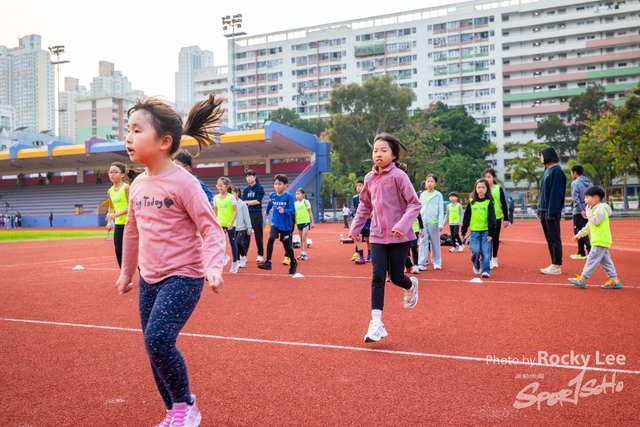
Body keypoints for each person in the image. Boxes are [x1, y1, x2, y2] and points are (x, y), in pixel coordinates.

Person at [115, 93, 225, 427]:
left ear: (164, 142)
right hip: (149, 278)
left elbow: (211, 229)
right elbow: (132, 232)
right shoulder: (137, 185)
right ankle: (175, 412)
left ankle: (186, 406)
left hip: (184, 275)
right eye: (128, 130)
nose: (128, 137)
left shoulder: (185, 183)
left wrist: (214, 266)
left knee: (158, 339)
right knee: (153, 347)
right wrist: (127, 272)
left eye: (137, 130)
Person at [348, 133, 421, 343]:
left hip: (400, 236)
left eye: (383, 150)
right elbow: (365, 205)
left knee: (396, 276)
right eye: (375, 151)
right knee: (378, 276)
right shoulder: (369, 178)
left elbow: (414, 203)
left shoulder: (399, 176)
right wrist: (355, 227)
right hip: (377, 235)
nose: (378, 154)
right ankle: (376, 323)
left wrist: (402, 226)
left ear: (394, 155)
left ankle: (411, 286)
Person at [569, 186, 622, 289]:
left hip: (599, 240)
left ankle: (582, 280)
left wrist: (588, 212)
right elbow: (589, 226)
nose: (584, 200)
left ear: (596, 198)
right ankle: (614, 280)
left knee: (591, 260)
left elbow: (596, 222)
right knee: (606, 262)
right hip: (600, 240)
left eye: (586, 197)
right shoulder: (596, 210)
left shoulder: (600, 209)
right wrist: (579, 235)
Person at [259, 174, 297, 274]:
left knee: (286, 245)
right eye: (275, 184)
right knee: (271, 238)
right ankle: (268, 262)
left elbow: (292, 210)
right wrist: (267, 211)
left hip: (286, 225)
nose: (277, 186)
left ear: (285, 185)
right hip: (275, 222)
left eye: (279, 184)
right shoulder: (272, 195)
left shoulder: (288, 196)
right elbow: (270, 203)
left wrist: (284, 211)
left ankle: (293, 262)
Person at [537, 147, 567, 275]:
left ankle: (557, 265)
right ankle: (553, 263)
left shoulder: (556, 171)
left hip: (551, 211)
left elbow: (556, 194)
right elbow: (543, 192)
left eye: (541, 155)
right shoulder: (547, 170)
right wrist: (539, 209)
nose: (540, 158)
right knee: (549, 239)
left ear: (548, 155)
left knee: (554, 238)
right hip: (544, 210)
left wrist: (551, 212)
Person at [461, 178, 497, 278]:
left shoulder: (489, 202)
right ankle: (476, 264)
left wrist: (491, 233)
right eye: (479, 187)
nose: (481, 189)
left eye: (483, 187)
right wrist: (464, 230)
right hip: (474, 231)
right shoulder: (471, 202)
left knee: (486, 252)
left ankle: (485, 270)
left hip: (486, 231)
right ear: (475, 189)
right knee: (476, 251)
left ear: (487, 189)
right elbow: (467, 217)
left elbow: (492, 218)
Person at [483, 168, 510, 269]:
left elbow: (504, 204)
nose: (487, 179)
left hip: (496, 217)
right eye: (485, 177)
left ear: (493, 177)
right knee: (486, 238)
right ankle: (487, 258)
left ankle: (494, 257)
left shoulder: (499, 189)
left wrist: (506, 218)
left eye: (489, 177)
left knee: (495, 238)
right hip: (485, 217)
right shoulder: (483, 189)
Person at [417, 174, 445, 271]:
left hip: (434, 223)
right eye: (428, 181)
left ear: (435, 183)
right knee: (423, 243)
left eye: (432, 182)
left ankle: (437, 262)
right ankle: (422, 263)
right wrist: (419, 222)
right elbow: (419, 209)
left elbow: (441, 210)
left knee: (435, 243)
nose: (429, 183)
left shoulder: (438, 195)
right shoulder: (422, 195)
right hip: (423, 223)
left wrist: (440, 224)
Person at [106, 161, 130, 268]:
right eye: (110, 172)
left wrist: (115, 215)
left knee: (133, 251)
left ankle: (143, 273)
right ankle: (124, 274)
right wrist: (109, 222)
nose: (112, 174)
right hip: (119, 225)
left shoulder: (126, 188)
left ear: (123, 174)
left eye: (115, 172)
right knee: (118, 250)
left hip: (130, 224)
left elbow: (131, 207)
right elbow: (111, 208)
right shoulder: (110, 191)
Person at [214, 177, 239, 274]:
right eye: (218, 185)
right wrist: (214, 221)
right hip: (220, 223)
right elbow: (215, 211)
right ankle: (224, 256)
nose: (219, 187)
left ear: (227, 186)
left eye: (221, 186)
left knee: (232, 243)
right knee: (217, 243)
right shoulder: (216, 198)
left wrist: (231, 222)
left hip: (230, 224)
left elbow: (235, 211)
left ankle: (235, 263)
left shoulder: (231, 197)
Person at [569, 165, 592, 260]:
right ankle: (582, 252)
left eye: (571, 172)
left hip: (578, 211)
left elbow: (576, 198)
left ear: (575, 172)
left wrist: (580, 210)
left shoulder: (575, 183)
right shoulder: (589, 183)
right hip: (588, 209)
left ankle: (588, 251)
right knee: (586, 230)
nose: (571, 174)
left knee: (580, 231)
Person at [242, 170, 265, 263]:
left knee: (258, 235)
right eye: (247, 177)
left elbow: (258, 201)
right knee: (245, 235)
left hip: (256, 214)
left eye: (250, 176)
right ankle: (243, 255)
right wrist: (249, 202)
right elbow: (242, 200)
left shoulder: (259, 187)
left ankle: (260, 254)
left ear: (255, 177)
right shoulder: (246, 189)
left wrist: (247, 202)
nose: (248, 178)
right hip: (247, 214)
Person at [352, 179, 372, 264]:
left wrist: (371, 214)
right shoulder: (355, 198)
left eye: (360, 185)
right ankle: (361, 257)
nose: (358, 187)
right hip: (359, 221)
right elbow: (355, 209)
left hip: (368, 221)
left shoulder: (369, 196)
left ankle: (370, 255)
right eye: (357, 186)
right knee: (358, 238)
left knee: (368, 239)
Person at [231, 186, 252, 268]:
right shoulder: (231, 204)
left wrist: (249, 227)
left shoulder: (242, 204)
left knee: (238, 242)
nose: (231, 195)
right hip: (234, 227)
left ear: (237, 193)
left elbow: (247, 216)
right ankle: (237, 260)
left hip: (242, 227)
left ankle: (243, 257)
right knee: (234, 244)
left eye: (232, 193)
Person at [295, 188, 314, 261]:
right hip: (299, 222)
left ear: (303, 194)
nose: (297, 195)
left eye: (298, 194)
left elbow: (310, 212)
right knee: (300, 238)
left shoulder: (306, 202)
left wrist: (312, 222)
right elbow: (295, 214)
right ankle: (302, 253)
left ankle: (305, 254)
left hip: (306, 221)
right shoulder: (295, 204)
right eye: (296, 194)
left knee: (304, 237)